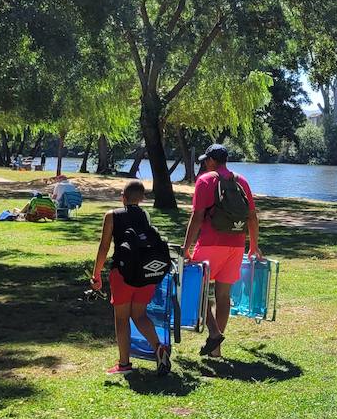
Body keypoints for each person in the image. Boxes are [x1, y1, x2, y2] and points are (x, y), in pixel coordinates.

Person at [181, 144, 258, 359]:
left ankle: (214, 333)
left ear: (213, 161)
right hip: (236, 244)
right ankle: (216, 350)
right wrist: (253, 245)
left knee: (195, 290)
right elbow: (252, 215)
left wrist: (185, 248)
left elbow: (197, 217)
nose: (205, 164)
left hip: (210, 242)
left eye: (206, 160)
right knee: (223, 296)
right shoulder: (240, 181)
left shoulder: (205, 181)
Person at [90, 180, 170, 376]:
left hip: (123, 273)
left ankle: (124, 364)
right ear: (141, 199)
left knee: (122, 318)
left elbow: (104, 247)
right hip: (145, 274)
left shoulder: (112, 215)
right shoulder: (145, 215)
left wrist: (96, 274)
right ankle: (158, 347)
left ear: (122, 197)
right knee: (140, 315)